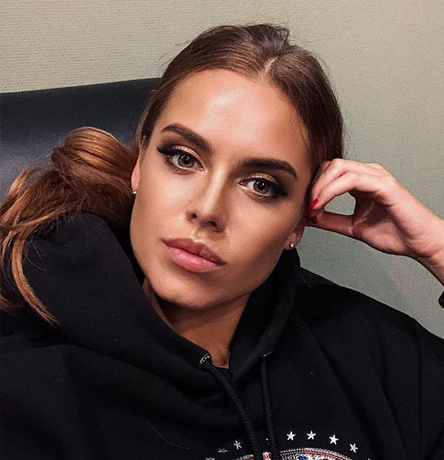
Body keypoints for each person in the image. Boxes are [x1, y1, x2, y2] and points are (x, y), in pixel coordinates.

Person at [1, 24, 443, 460]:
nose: (208, 209)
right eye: (183, 158)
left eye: (261, 185)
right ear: (139, 164)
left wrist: (438, 250)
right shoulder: (30, 388)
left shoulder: (369, 352)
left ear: (298, 222)